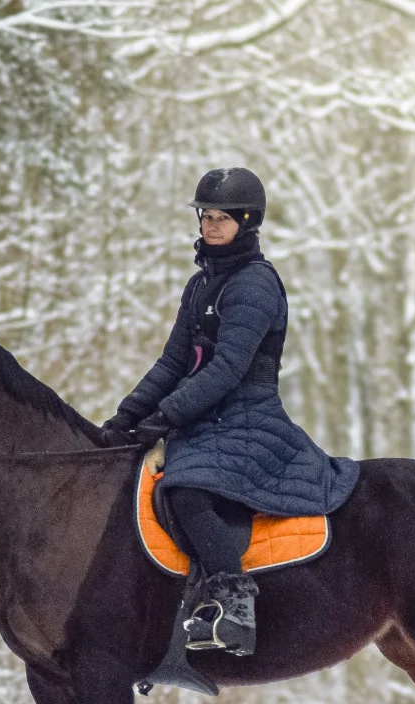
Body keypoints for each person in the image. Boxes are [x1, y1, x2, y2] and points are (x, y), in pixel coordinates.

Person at [102, 168, 358, 656]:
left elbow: (227, 371)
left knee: (188, 492)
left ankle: (234, 606)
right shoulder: (200, 285)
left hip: (248, 420)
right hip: (206, 420)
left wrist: (167, 417)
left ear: (247, 222)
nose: (211, 226)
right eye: (206, 217)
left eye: (222, 218)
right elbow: (174, 361)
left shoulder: (256, 285)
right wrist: (126, 416)